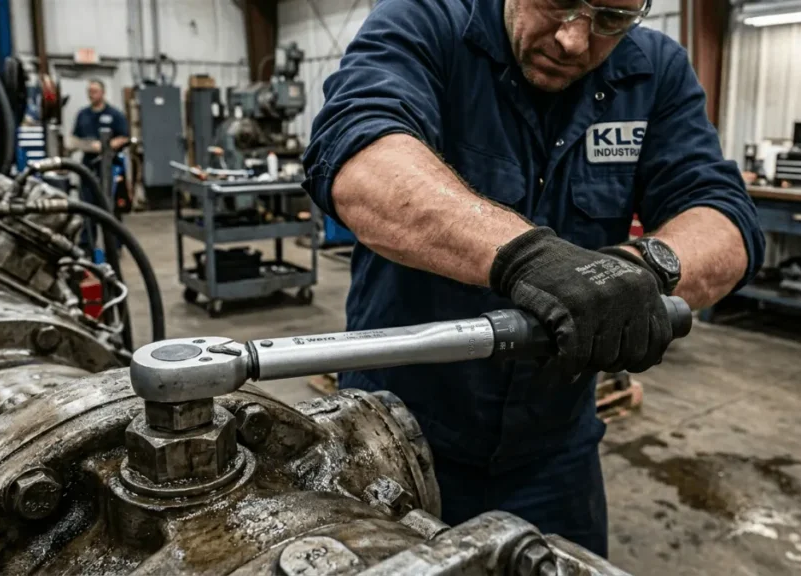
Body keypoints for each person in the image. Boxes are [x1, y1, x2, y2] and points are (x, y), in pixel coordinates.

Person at [302, 0, 765, 557]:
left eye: (611, 20)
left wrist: (636, 272)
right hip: (390, 438)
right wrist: (526, 257)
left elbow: (724, 216)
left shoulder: (656, 69)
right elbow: (357, 154)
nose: (574, 40)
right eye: (558, 1)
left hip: (553, 450)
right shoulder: (425, 19)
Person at [70, 80, 130, 247]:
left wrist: (106, 146)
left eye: (95, 91)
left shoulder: (114, 114)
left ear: (102, 93)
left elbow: (124, 137)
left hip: (111, 166)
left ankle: (115, 246)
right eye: (89, 91)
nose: (91, 94)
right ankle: (87, 245)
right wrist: (87, 146)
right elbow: (75, 139)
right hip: (89, 166)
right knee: (88, 206)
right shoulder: (83, 115)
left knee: (111, 207)